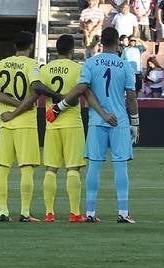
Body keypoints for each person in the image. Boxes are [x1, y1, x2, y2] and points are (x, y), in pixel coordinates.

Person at [47, 26, 138, 223]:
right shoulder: (125, 65)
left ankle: (89, 212)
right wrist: (135, 123)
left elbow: (82, 89)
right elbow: (131, 97)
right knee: (120, 166)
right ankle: (123, 212)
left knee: (94, 167)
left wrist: (59, 106)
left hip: (97, 121)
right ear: (118, 43)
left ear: (101, 43)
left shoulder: (90, 62)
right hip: (119, 121)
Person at [9, 33, 85, 221]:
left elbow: (36, 91)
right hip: (72, 123)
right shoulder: (78, 68)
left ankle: (49, 213)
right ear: (72, 50)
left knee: (51, 169)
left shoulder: (45, 69)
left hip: (51, 123)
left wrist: (15, 111)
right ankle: (75, 213)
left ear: (56, 50)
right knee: (73, 169)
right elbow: (78, 95)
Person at [0, 31, 40, 222]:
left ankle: (3, 211)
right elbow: (35, 91)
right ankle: (25, 212)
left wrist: (11, 111)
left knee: (3, 169)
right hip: (25, 123)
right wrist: (18, 110)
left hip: (4, 123)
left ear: (15, 46)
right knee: (26, 168)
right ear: (30, 46)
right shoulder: (31, 64)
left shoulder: (0, 64)